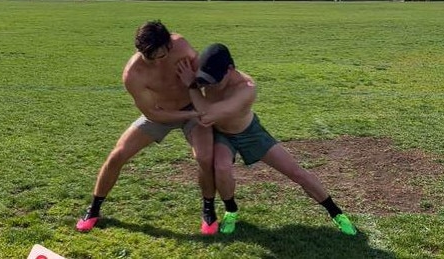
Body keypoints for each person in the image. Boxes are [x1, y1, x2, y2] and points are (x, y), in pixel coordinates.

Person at [176, 43, 357, 235]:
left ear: (230, 69)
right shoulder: (207, 74)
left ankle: (336, 212)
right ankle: (231, 210)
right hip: (222, 134)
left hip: (250, 133)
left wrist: (191, 86)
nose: (212, 84)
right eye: (207, 80)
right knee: (221, 167)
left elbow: (206, 115)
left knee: (296, 172)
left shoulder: (246, 88)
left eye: (216, 79)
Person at [76, 21, 218, 235]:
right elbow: (153, 114)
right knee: (117, 155)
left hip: (193, 107)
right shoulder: (133, 74)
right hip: (163, 114)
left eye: (163, 55)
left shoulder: (179, 45)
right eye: (152, 57)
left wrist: (196, 90)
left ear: (168, 42)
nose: (159, 62)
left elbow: (204, 74)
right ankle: (94, 208)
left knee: (205, 158)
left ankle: (208, 209)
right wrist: (191, 114)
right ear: (140, 50)